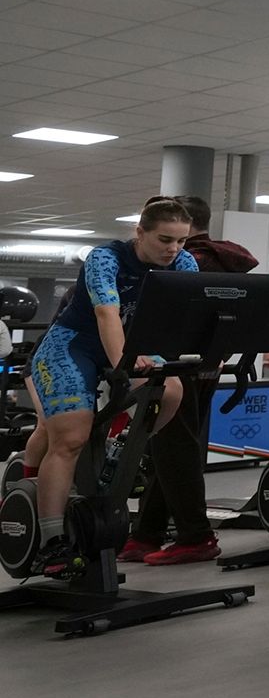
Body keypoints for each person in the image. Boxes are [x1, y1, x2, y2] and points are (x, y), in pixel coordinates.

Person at [26, 199, 198, 575]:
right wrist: (125, 362)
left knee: (170, 392)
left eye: (182, 241)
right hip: (74, 344)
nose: (173, 249)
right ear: (140, 233)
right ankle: (50, 542)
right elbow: (106, 313)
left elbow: (183, 317)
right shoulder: (107, 259)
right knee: (70, 438)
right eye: (164, 239)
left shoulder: (184, 264)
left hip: (132, 341)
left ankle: (120, 453)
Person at [119, 194, 259, 565]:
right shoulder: (227, 260)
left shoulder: (186, 262)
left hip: (173, 364)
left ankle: (196, 535)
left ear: (185, 224)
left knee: (172, 446)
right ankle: (147, 533)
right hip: (206, 365)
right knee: (171, 447)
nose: (170, 246)